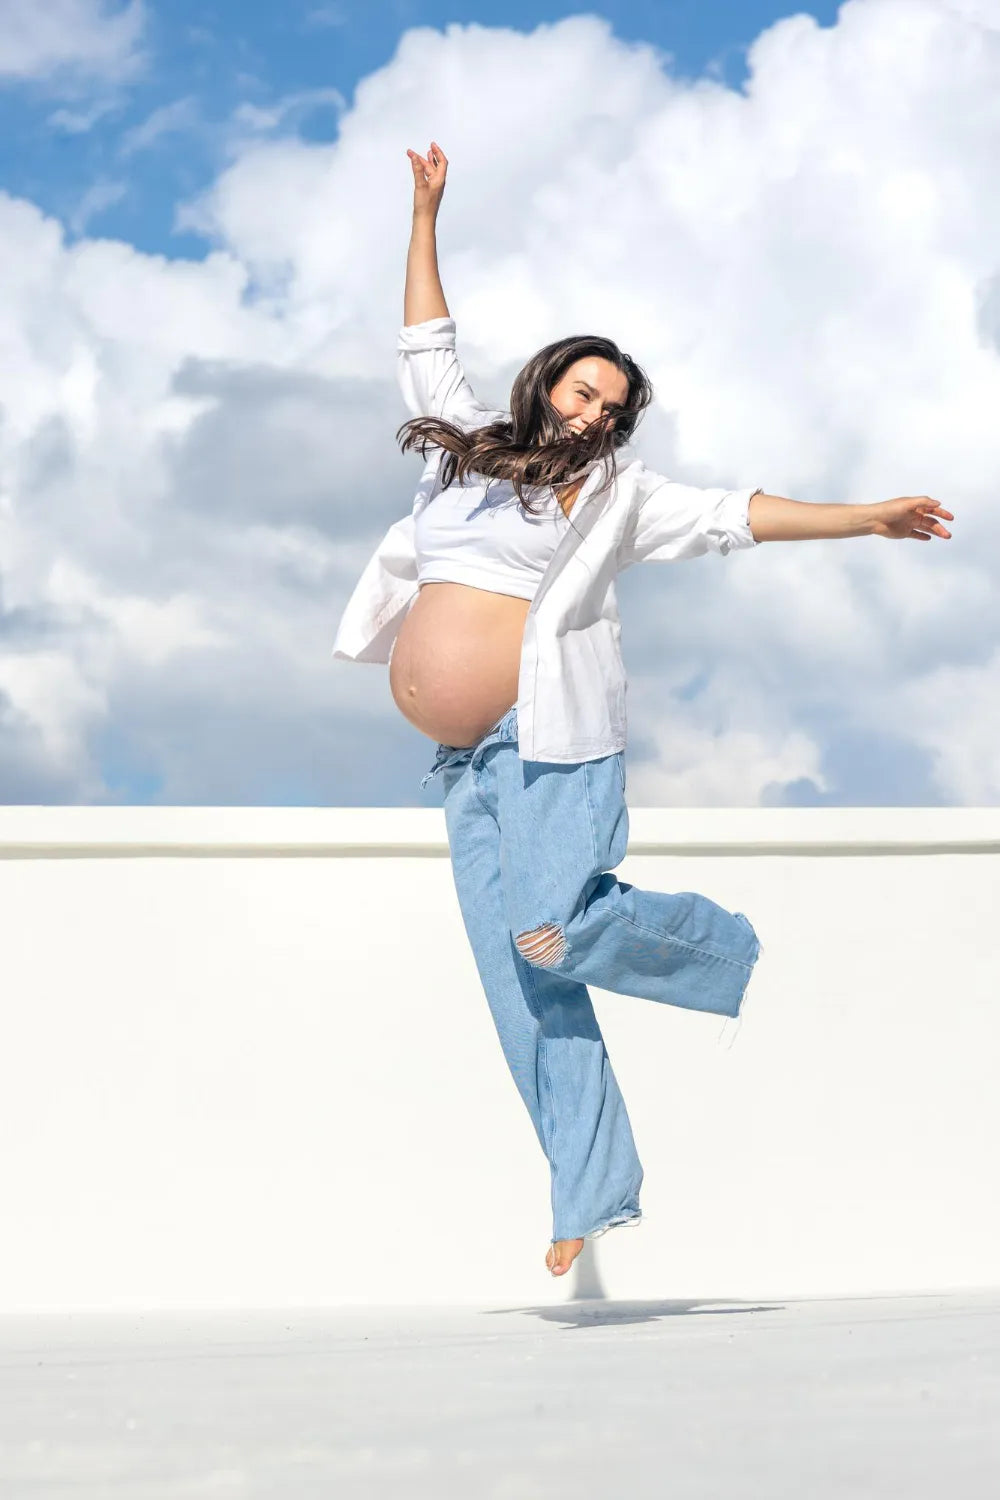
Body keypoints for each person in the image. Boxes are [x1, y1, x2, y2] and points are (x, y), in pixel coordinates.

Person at [333, 141, 955, 1280]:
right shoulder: (463, 457)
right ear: (545, 385)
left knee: (552, 930)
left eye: (612, 410)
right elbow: (426, 341)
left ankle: (720, 949)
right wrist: (425, 215)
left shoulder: (620, 497)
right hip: (465, 765)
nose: (593, 417)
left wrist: (864, 516)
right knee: (520, 980)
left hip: (546, 742)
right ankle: (587, 1189)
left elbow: (738, 514)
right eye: (582, 393)